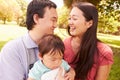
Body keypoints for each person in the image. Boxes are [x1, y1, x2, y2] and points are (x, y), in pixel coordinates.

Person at [0, 0, 58, 80]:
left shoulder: (54, 47)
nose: (56, 25)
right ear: (36, 18)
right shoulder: (12, 51)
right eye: (53, 20)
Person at [63, 2, 114, 80]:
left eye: (74, 19)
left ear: (89, 23)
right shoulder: (64, 44)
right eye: (69, 18)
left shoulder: (104, 52)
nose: (70, 22)